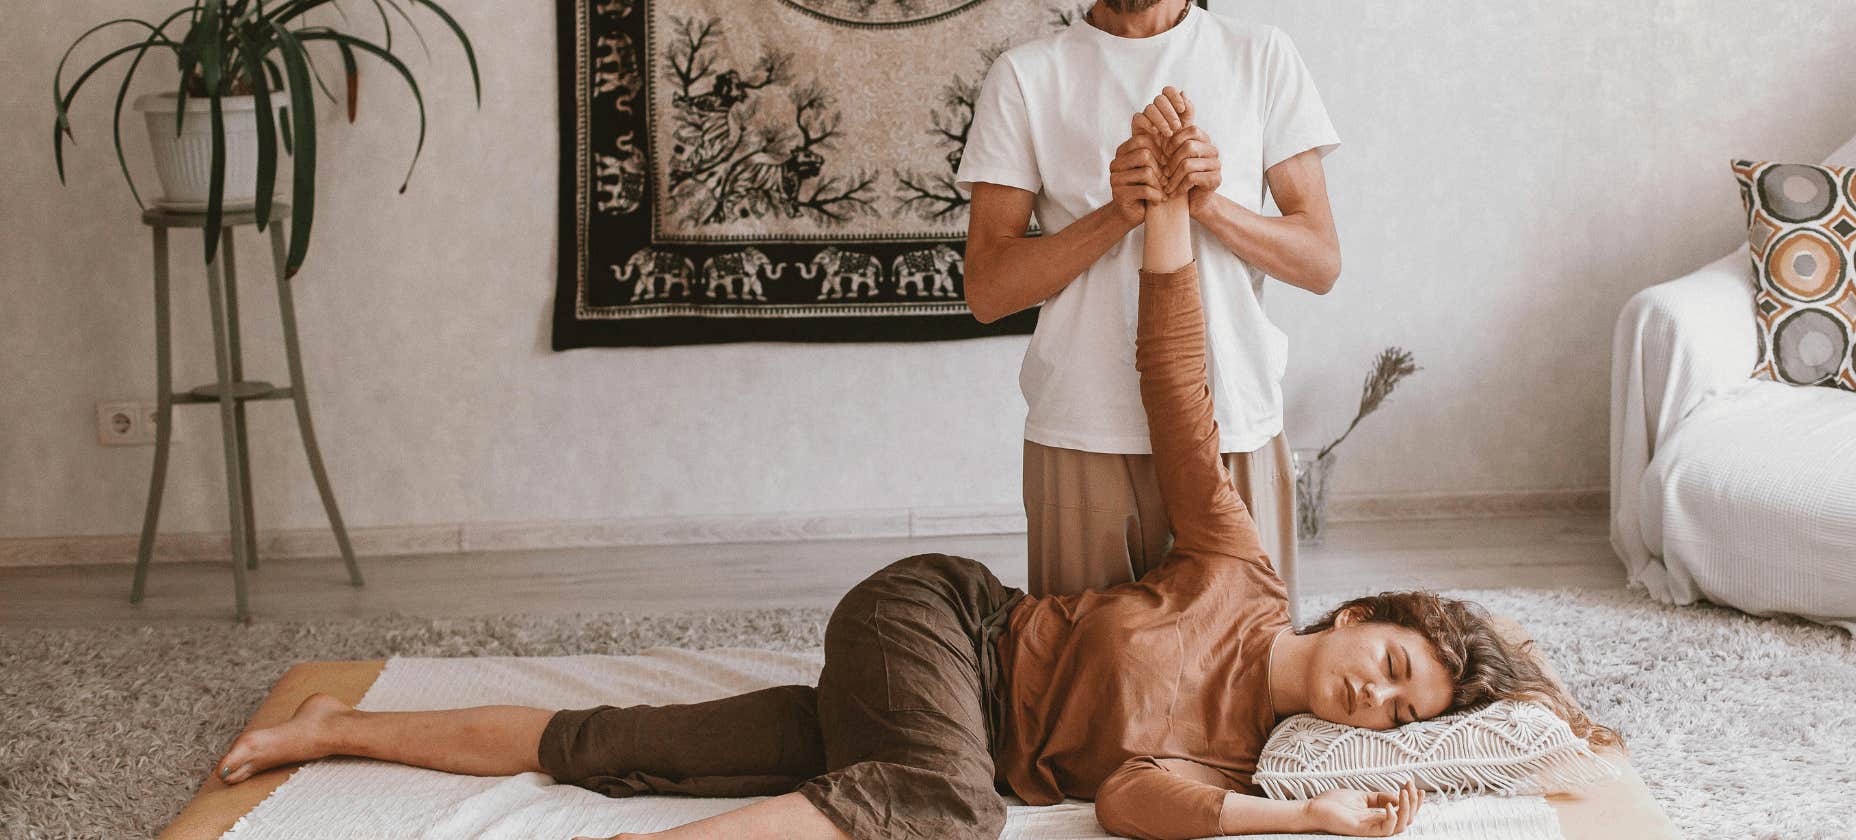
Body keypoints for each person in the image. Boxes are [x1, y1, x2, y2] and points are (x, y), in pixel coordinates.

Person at [213, 109, 1616, 839]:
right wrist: (1173, 218)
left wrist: (1298, 811)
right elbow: (1181, 395)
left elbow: (1133, 804)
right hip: (936, 626)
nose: (1376, 695)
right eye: (1392, 661)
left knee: (624, 749)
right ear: (1358, 616)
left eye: (1396, 712)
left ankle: (329, 736)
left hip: (907, 734)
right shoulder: (1242, 577)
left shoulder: (1238, 764)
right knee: (949, 817)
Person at [958, 0, 1342, 600]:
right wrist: (1115, 212)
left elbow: (1320, 261)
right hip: (1083, 428)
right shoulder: (1027, 77)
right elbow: (988, 288)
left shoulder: (1260, 57)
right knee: (1085, 693)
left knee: (1248, 687)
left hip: (1233, 416)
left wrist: (1210, 202)